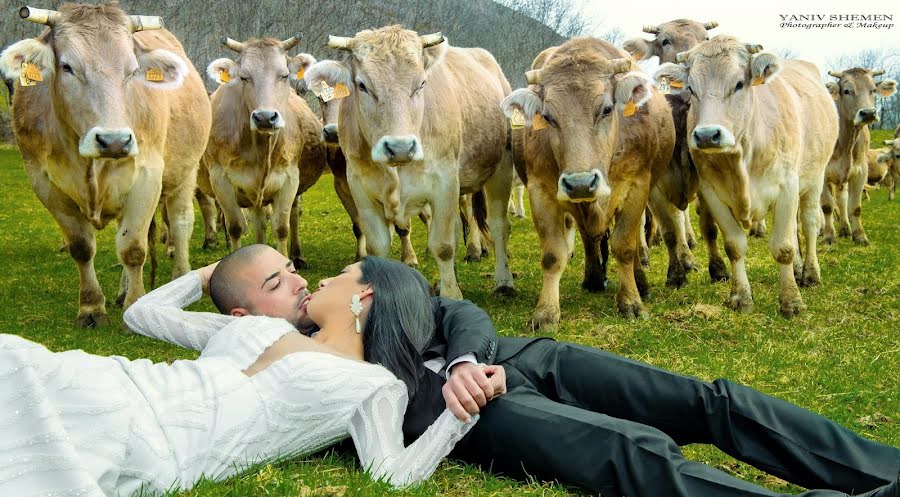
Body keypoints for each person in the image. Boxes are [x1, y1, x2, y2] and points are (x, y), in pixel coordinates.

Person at [201, 246, 899, 497]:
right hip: (470, 416)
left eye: (294, 270)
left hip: (518, 361)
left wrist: (472, 360)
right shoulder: (282, 354)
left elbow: (454, 307)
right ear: (243, 314)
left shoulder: (358, 292)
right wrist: (455, 393)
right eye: (275, 282)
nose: (298, 280)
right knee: (631, 453)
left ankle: (879, 466)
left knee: (708, 399)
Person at [0, 254, 486, 497]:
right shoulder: (261, 325)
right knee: (16, 360)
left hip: (166, 444)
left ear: (364, 296)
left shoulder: (376, 386)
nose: (316, 281)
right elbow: (142, 315)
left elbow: (392, 477)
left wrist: (463, 414)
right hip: (126, 381)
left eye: (338, 276)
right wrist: (209, 274)